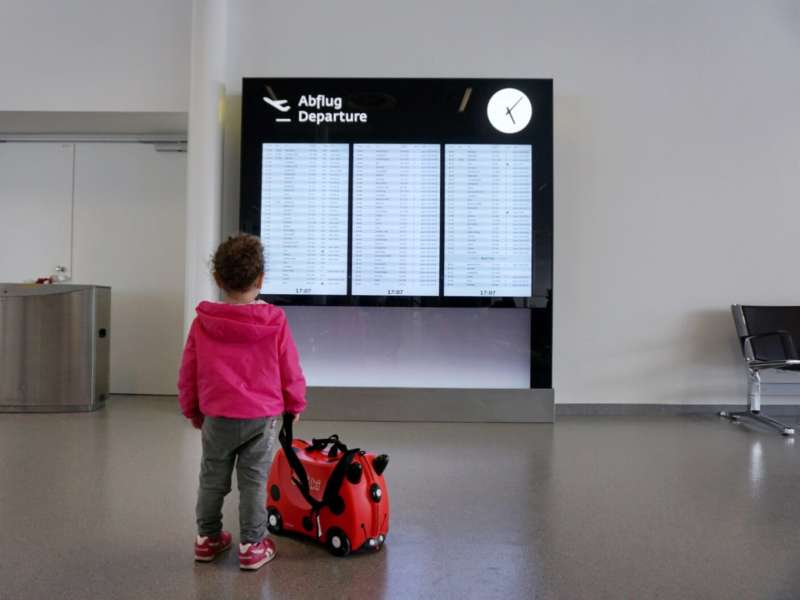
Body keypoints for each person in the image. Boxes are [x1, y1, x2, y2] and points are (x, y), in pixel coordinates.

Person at [177, 234, 306, 571]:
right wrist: (295, 405)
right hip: (261, 418)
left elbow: (188, 371)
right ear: (261, 279)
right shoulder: (274, 322)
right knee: (253, 480)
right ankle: (252, 544)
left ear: (218, 279)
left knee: (211, 477)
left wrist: (192, 409)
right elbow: (289, 368)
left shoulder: (203, 322)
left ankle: (207, 539)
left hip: (216, 415)